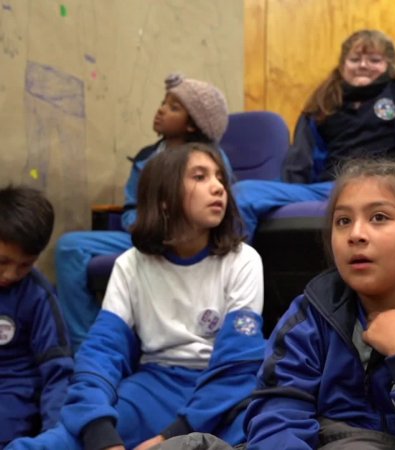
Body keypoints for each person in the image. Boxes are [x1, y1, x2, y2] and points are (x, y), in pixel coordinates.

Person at [151, 158, 395, 450]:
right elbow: (277, 412)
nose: (356, 234)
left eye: (379, 217)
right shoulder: (310, 314)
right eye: (343, 221)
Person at [7, 143, 265, 450]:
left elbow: (237, 365)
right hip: (153, 387)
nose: (218, 187)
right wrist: (100, 433)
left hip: (223, 399)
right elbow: (102, 350)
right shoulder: (131, 265)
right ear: (164, 198)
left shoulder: (242, 260)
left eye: (220, 178)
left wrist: (168, 438)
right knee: (57, 443)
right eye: (200, 177)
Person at [55, 74, 232, 349]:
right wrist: (150, 223)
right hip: (145, 232)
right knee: (69, 247)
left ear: (191, 123)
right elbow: (130, 208)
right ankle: (82, 342)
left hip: (193, 237)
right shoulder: (145, 157)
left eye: (174, 107)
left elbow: (221, 208)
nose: (161, 110)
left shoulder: (212, 160)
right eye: (163, 103)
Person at [233, 29, 395, 240]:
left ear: (389, 66)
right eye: (354, 59)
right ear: (342, 65)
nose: (363, 65)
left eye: (374, 60)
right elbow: (298, 164)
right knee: (243, 193)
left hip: (389, 184)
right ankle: (235, 263)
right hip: (330, 188)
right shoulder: (323, 102)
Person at [0, 185, 73, 448]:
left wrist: (54, 436)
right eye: (2, 262)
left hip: (12, 394)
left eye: (25, 265)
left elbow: (58, 371)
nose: (11, 274)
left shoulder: (39, 296)